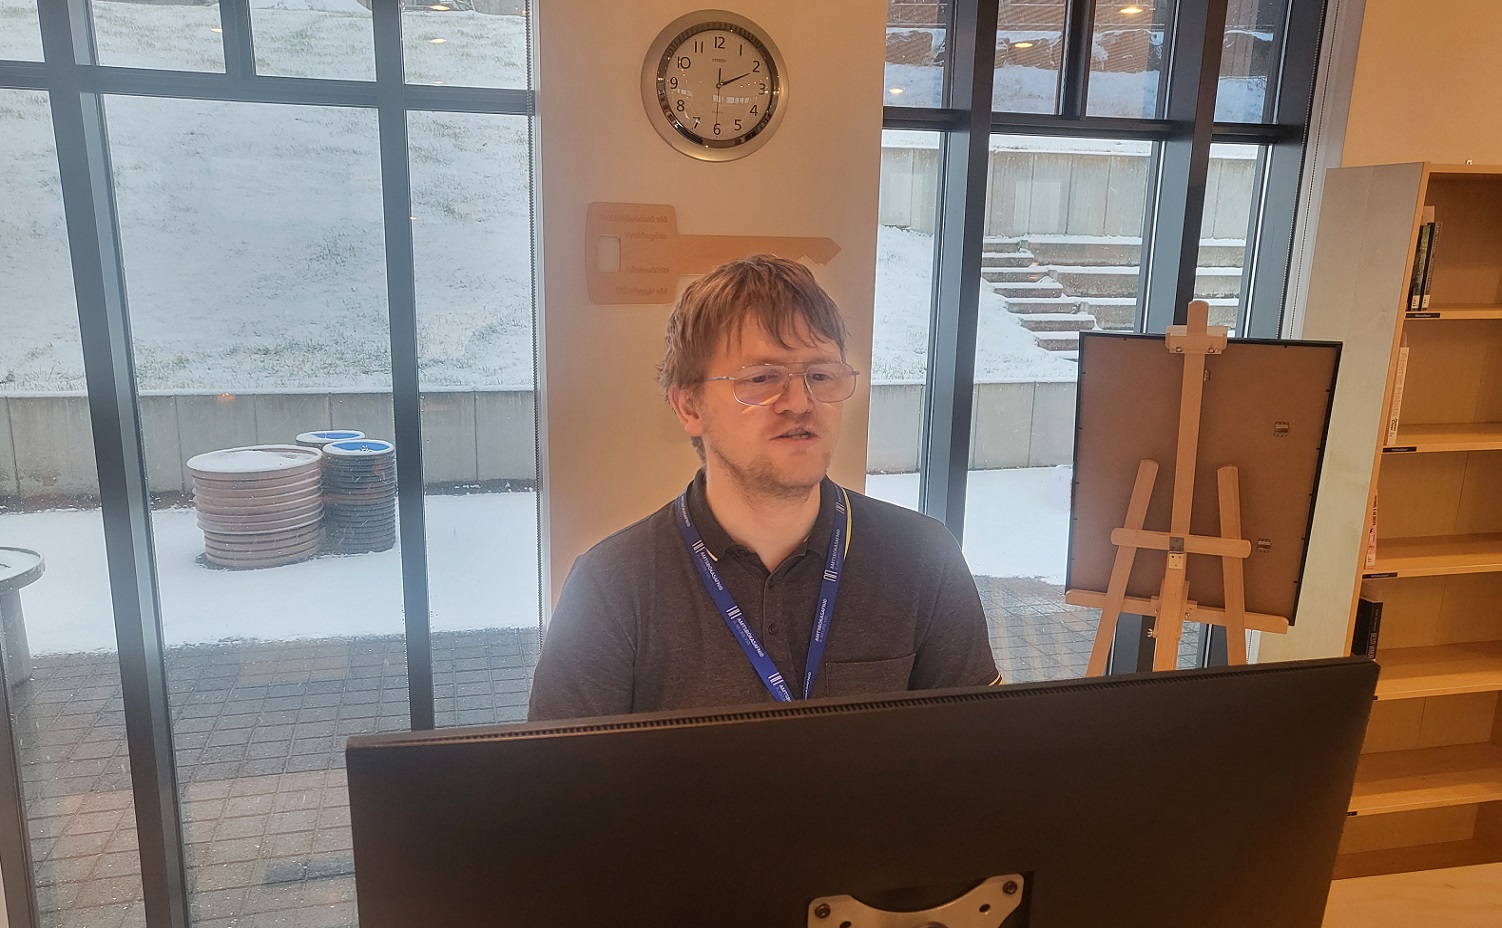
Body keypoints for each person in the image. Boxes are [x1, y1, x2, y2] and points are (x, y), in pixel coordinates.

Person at [528, 255, 998, 721]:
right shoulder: (611, 586)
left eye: (820, 375)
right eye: (762, 378)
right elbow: (561, 788)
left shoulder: (923, 557)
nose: (800, 402)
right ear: (689, 406)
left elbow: (978, 757)